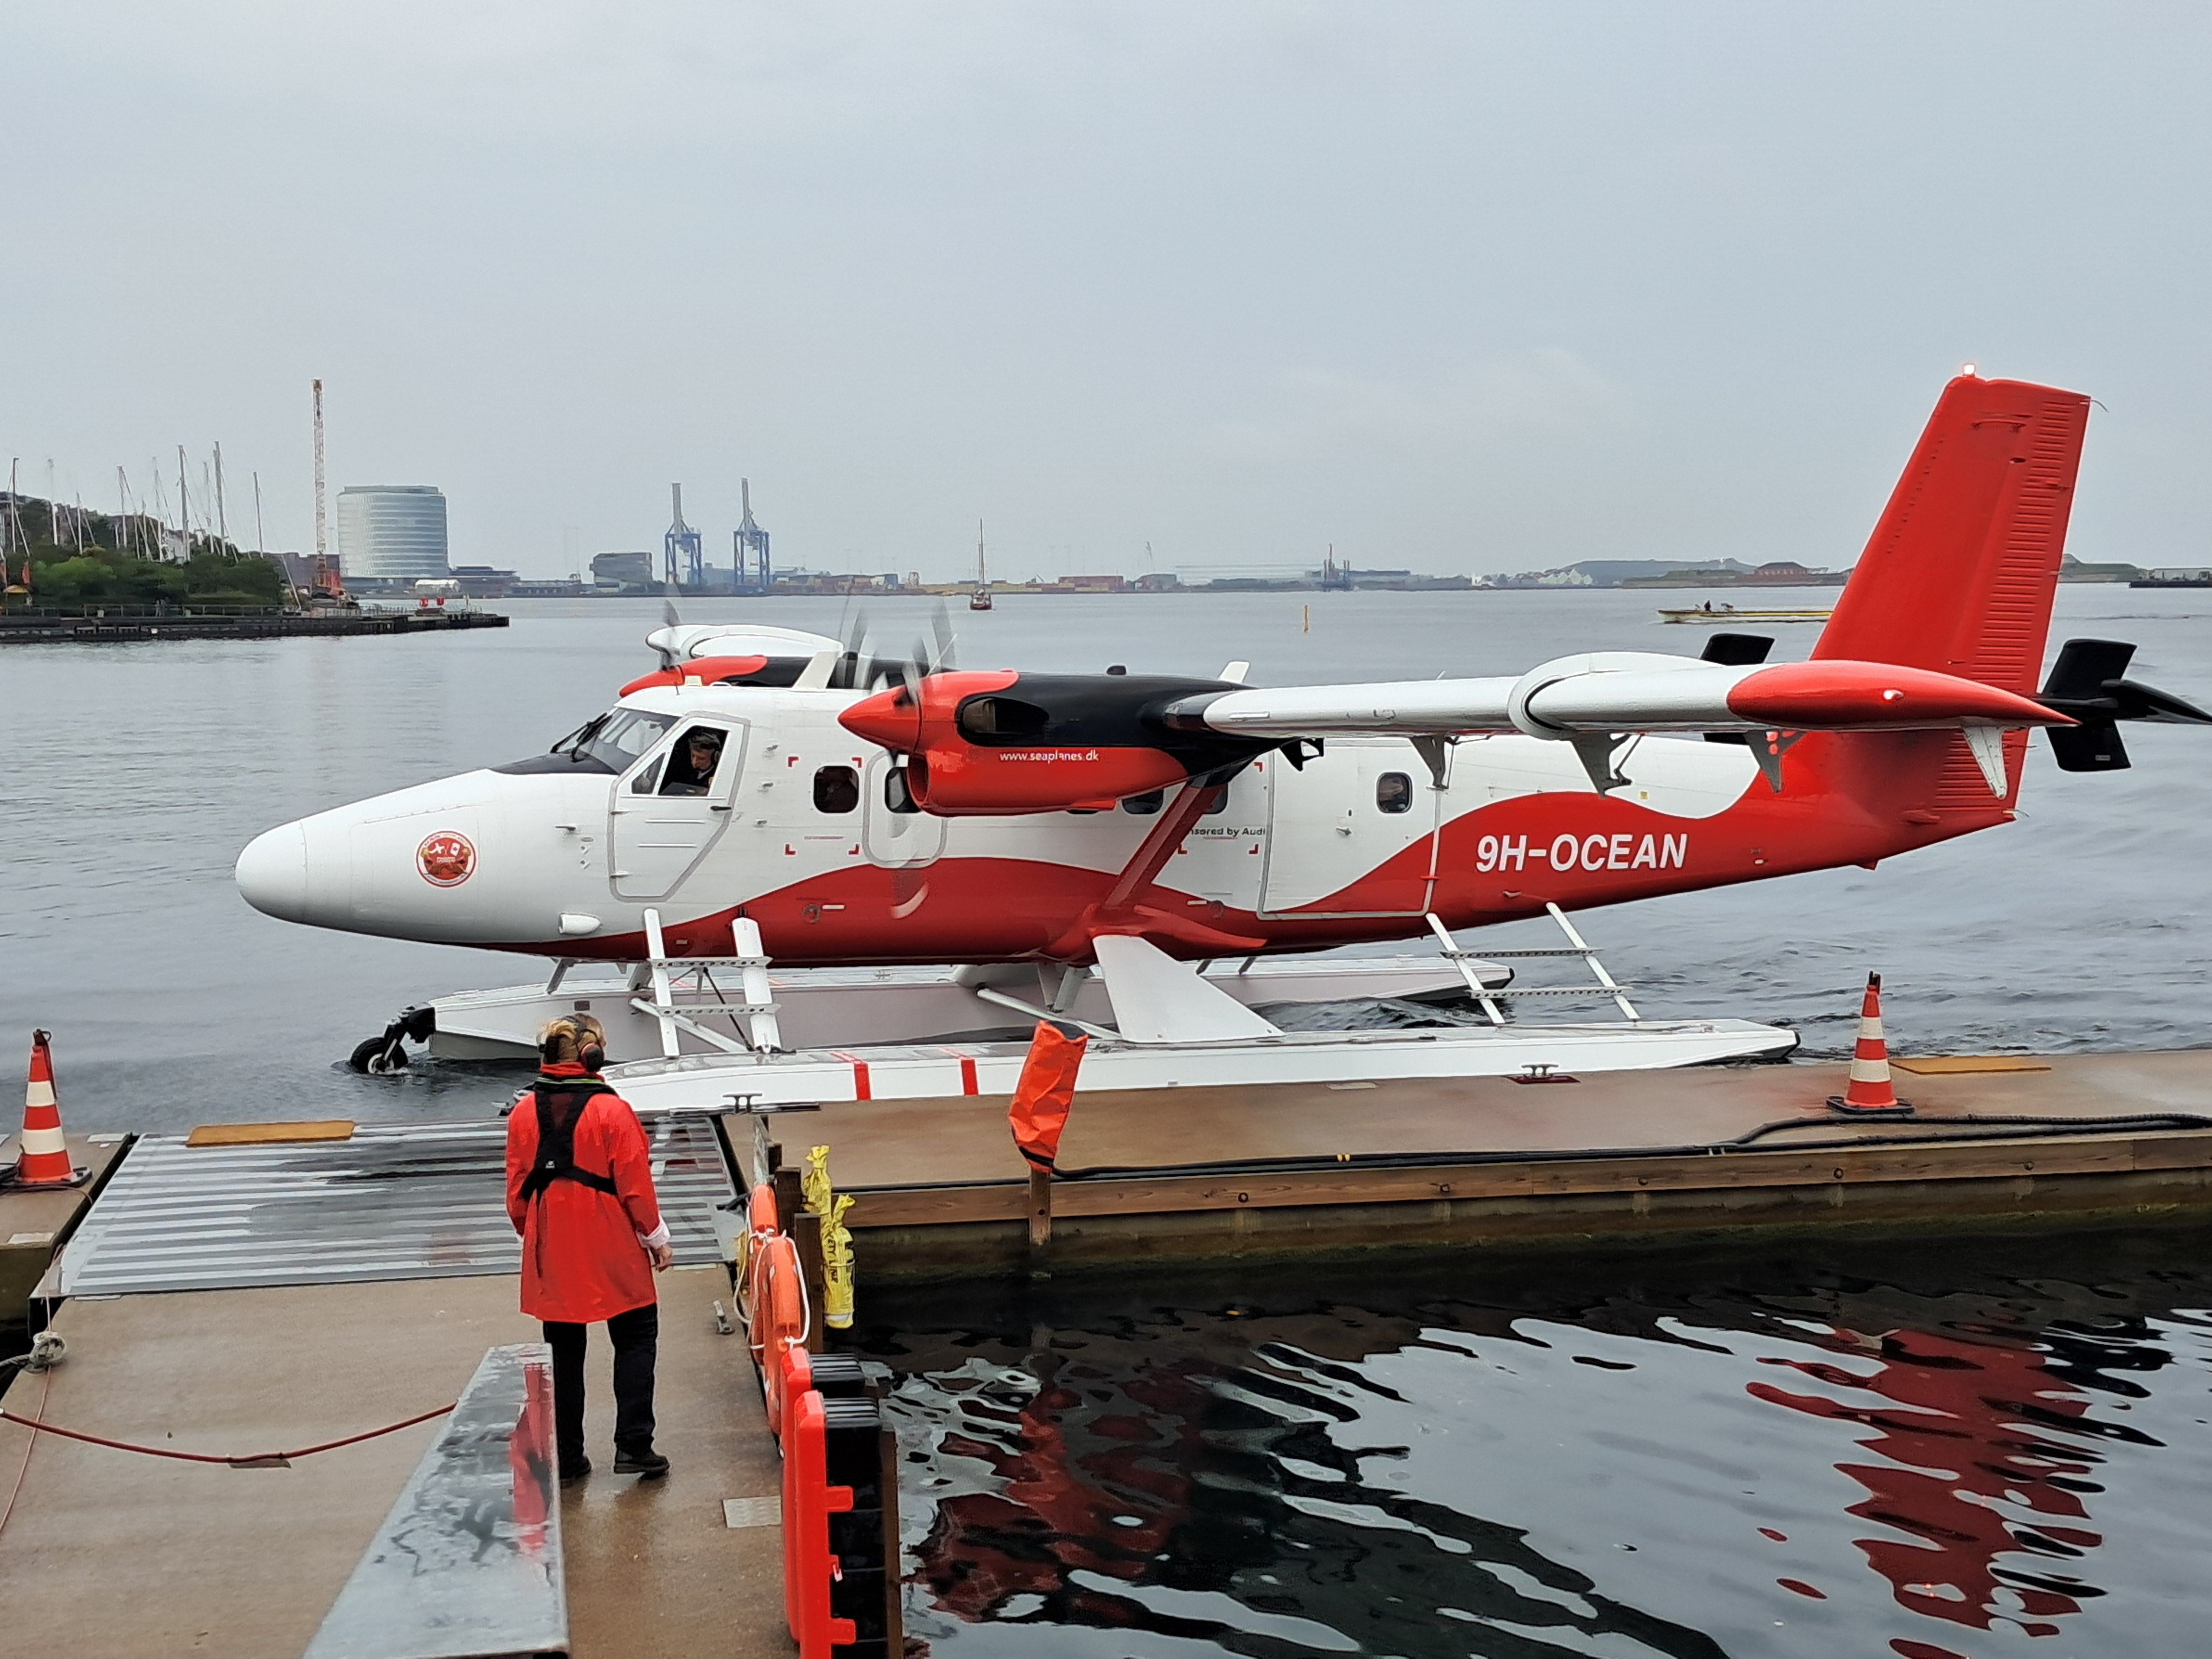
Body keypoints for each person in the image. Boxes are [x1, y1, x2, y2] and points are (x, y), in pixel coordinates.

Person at [504, 1014, 673, 1482]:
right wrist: (656, 1238)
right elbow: (636, 1186)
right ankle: (635, 1446)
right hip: (611, 1240)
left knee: (562, 1352)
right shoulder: (613, 1111)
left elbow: (517, 1193)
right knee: (637, 1336)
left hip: (552, 1245)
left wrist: (535, 1233)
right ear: (591, 1057)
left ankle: (569, 1458)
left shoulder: (522, 1113)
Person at [659, 728, 724, 796]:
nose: (694, 762)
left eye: (701, 758)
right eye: (693, 756)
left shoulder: (718, 779)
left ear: (715, 757)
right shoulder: (683, 772)